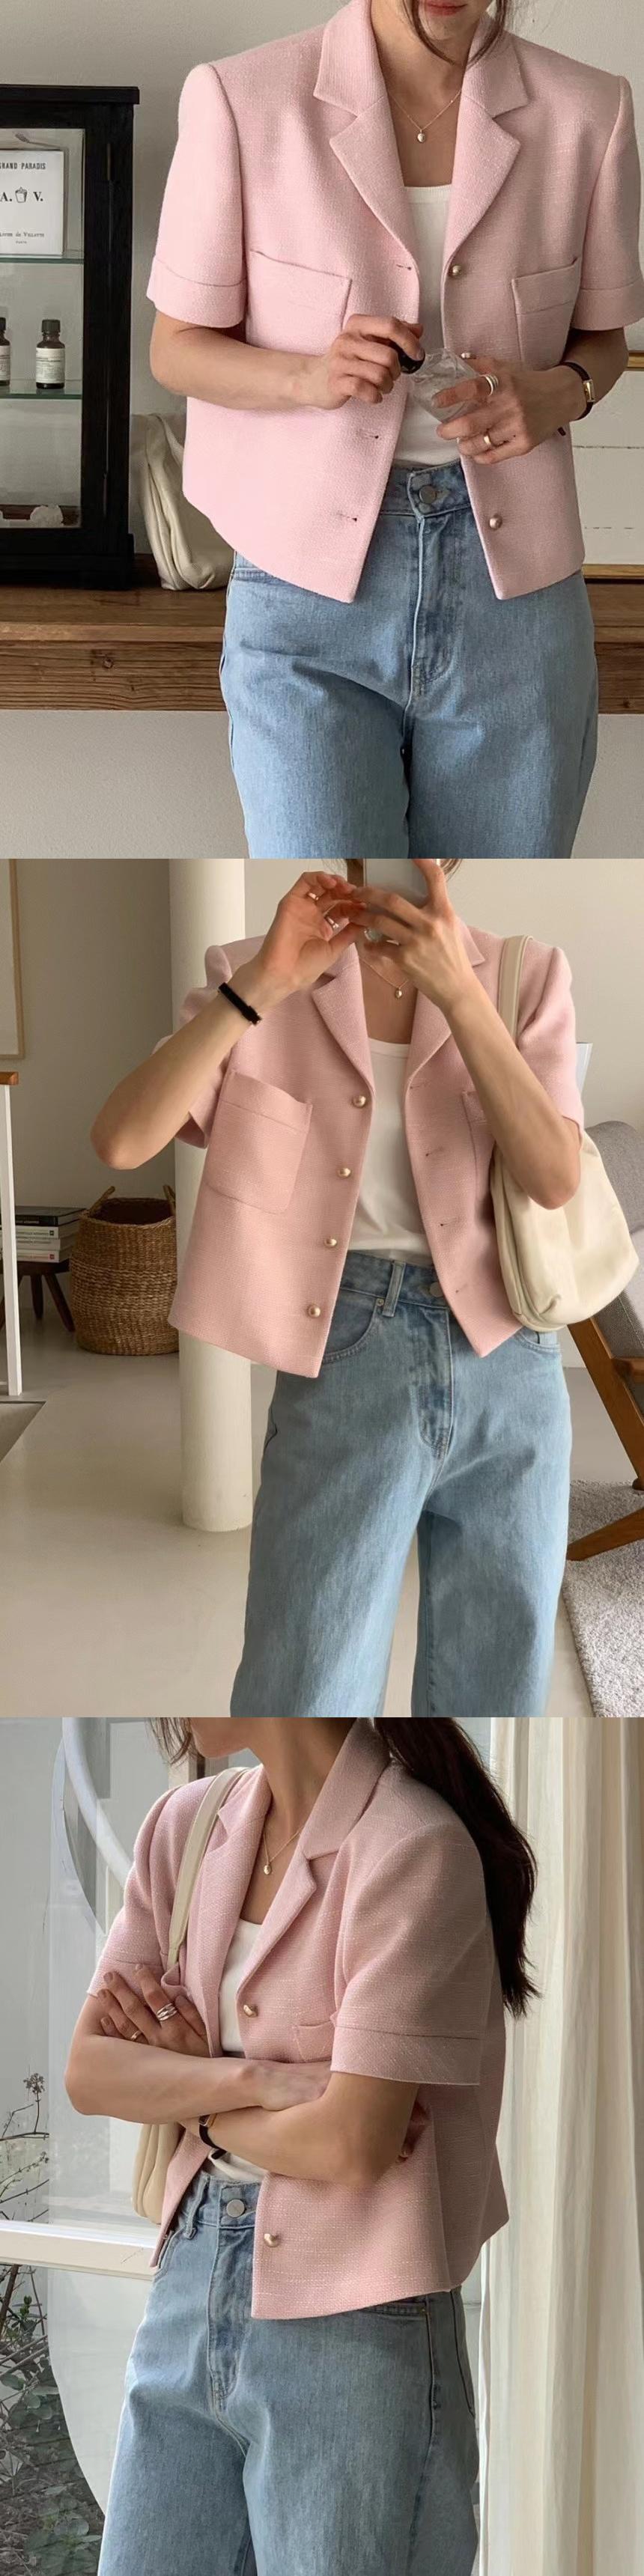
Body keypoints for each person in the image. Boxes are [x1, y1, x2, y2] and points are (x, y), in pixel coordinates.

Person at [146, 0, 644, 858]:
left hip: (513, 594)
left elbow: (601, 342)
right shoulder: (242, 98)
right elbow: (176, 348)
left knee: (493, 913)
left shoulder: (587, 111)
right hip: (304, 585)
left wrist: (560, 392)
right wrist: (307, 376)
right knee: (336, 906)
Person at [91, 859, 583, 1719]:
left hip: (509, 1354)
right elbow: (122, 1141)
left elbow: (552, 1178)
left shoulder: (523, 973)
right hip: (345, 1352)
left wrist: (458, 994)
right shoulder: (256, 970)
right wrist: (262, 985)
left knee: (493, 1696)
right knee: (305, 1688)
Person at [65, 1715, 538, 2576]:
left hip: (354, 2324)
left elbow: (353, 2145)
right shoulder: (185, 1825)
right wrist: (254, 2081)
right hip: (185, 2291)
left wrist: (191, 2100)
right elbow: (90, 2073)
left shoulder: (411, 1846)